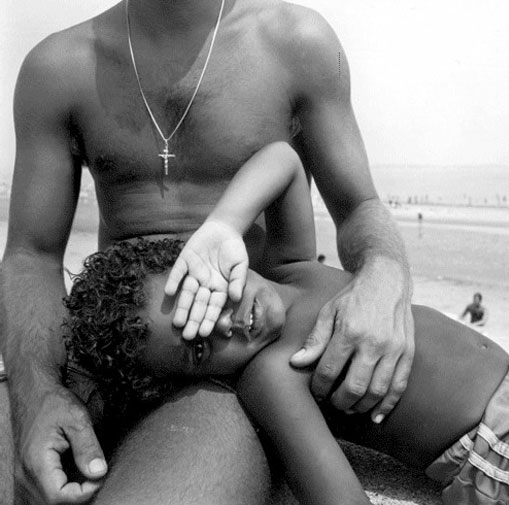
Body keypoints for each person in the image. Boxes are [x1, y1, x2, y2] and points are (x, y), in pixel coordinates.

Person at [63, 150, 509, 504]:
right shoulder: (273, 376)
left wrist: (223, 223)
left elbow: (285, 161)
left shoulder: (291, 267)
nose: (224, 325)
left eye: (203, 299)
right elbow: (337, 494)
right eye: (199, 352)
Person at [0, 0, 414, 501]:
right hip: (115, 351)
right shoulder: (59, 66)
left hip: (224, 364)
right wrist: (37, 393)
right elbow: (32, 254)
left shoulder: (294, 41)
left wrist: (384, 274)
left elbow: (358, 206)